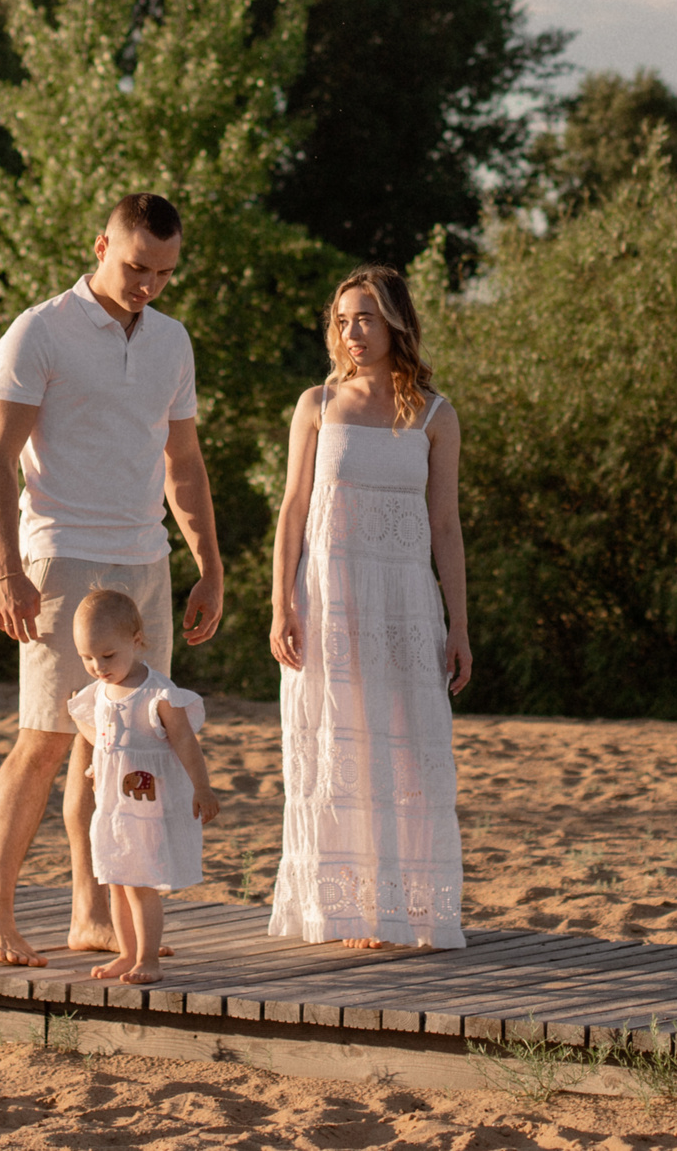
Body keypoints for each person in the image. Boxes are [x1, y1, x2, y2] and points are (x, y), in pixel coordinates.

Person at [0, 192, 225, 969]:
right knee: (45, 741)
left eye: (165, 271)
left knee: (117, 744)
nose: (150, 283)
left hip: (143, 557)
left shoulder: (172, 341)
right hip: (60, 556)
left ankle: (93, 913)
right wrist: (5, 569)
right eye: (138, 265)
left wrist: (209, 564)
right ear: (102, 242)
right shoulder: (38, 330)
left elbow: (183, 462)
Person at [265, 264, 472, 950]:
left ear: (397, 323)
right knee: (338, 742)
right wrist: (279, 603)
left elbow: (446, 525)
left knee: (408, 748)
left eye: (368, 317)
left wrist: (460, 625)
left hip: (406, 603)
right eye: (344, 318)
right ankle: (348, 908)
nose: (353, 331)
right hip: (328, 596)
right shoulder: (318, 403)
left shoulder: (436, 415)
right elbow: (293, 507)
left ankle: (405, 906)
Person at [66, 588, 217, 984]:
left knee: (141, 886)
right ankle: (126, 952)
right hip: (113, 808)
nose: (97, 666)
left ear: (135, 641)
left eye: (107, 655)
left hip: (148, 810)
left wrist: (202, 787)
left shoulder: (158, 693)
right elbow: (90, 726)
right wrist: (101, 755)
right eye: (87, 657)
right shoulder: (100, 690)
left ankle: (149, 957)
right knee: (116, 881)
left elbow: (185, 740)